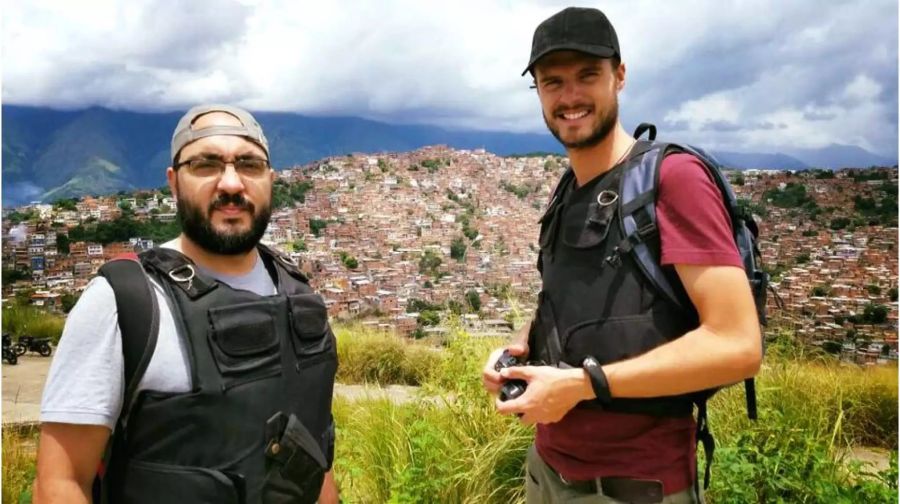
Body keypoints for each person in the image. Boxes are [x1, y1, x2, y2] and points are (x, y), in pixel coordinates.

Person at [482, 7, 762, 504]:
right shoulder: (568, 188)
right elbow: (574, 298)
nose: (569, 97)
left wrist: (583, 386)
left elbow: (738, 345)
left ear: (620, 76)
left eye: (587, 75)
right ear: (538, 92)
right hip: (548, 472)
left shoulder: (673, 180)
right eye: (553, 82)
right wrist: (519, 351)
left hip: (635, 485)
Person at [34, 105, 340, 504]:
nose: (231, 183)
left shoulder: (298, 294)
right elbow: (60, 483)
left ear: (270, 179)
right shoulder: (125, 302)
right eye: (206, 164)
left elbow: (314, 461)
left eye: (249, 165)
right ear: (174, 183)